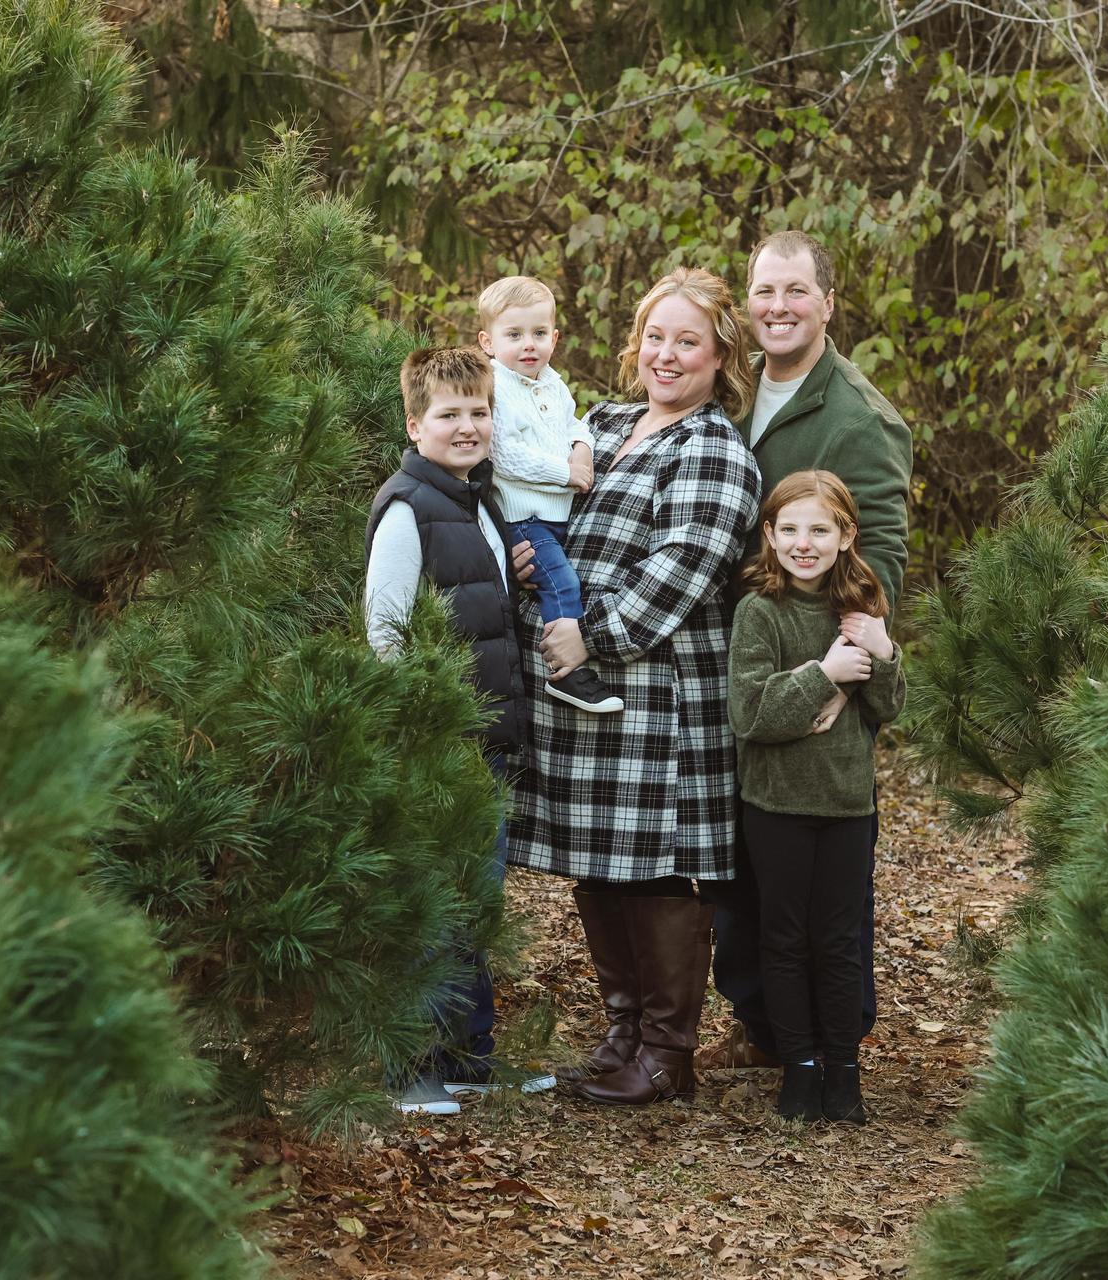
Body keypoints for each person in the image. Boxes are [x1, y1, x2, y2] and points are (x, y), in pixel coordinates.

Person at [506, 267, 761, 1106]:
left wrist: (593, 631)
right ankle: (620, 1035)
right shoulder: (604, 424)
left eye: (687, 340)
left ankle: (666, 1052)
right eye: (656, 335)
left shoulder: (715, 448)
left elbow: (681, 569)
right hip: (576, 690)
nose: (666, 354)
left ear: (720, 354)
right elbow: (540, 506)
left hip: (657, 697)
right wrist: (523, 555)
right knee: (600, 867)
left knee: (653, 872)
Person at [702, 230, 916, 1073]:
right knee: (746, 851)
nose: (778, 308)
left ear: (828, 302)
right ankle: (764, 1020)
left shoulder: (859, 418)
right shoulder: (738, 392)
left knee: (818, 875)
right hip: (740, 656)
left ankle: (827, 1036)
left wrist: (842, 674)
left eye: (795, 292)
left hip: (811, 669)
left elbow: (885, 554)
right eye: (764, 292)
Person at [363, 345, 554, 1115]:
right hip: (439, 744)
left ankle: (468, 1056)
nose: (468, 426)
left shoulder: (478, 501)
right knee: (431, 902)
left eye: (479, 413)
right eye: (450, 415)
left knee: (477, 903)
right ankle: (408, 1069)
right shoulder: (408, 506)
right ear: (415, 424)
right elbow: (384, 633)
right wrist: (421, 732)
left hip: (490, 741)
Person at [728, 470, 905, 1123]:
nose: (805, 543)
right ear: (770, 536)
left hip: (846, 804)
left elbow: (886, 708)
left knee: (838, 941)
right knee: (782, 937)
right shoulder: (760, 613)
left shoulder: (860, 608)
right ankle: (797, 1066)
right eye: (791, 530)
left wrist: (882, 652)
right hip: (776, 805)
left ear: (845, 535)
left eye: (819, 530)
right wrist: (823, 675)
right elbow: (751, 714)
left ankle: (843, 1069)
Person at [476, 275, 623, 715]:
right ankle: (568, 673)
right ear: (487, 341)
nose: (529, 345)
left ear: (554, 338)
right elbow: (505, 457)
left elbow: (575, 425)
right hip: (526, 519)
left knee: (551, 584)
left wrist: (582, 451)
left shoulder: (552, 383)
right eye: (514, 335)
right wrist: (566, 473)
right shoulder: (496, 387)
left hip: (556, 517)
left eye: (539, 334)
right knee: (562, 583)